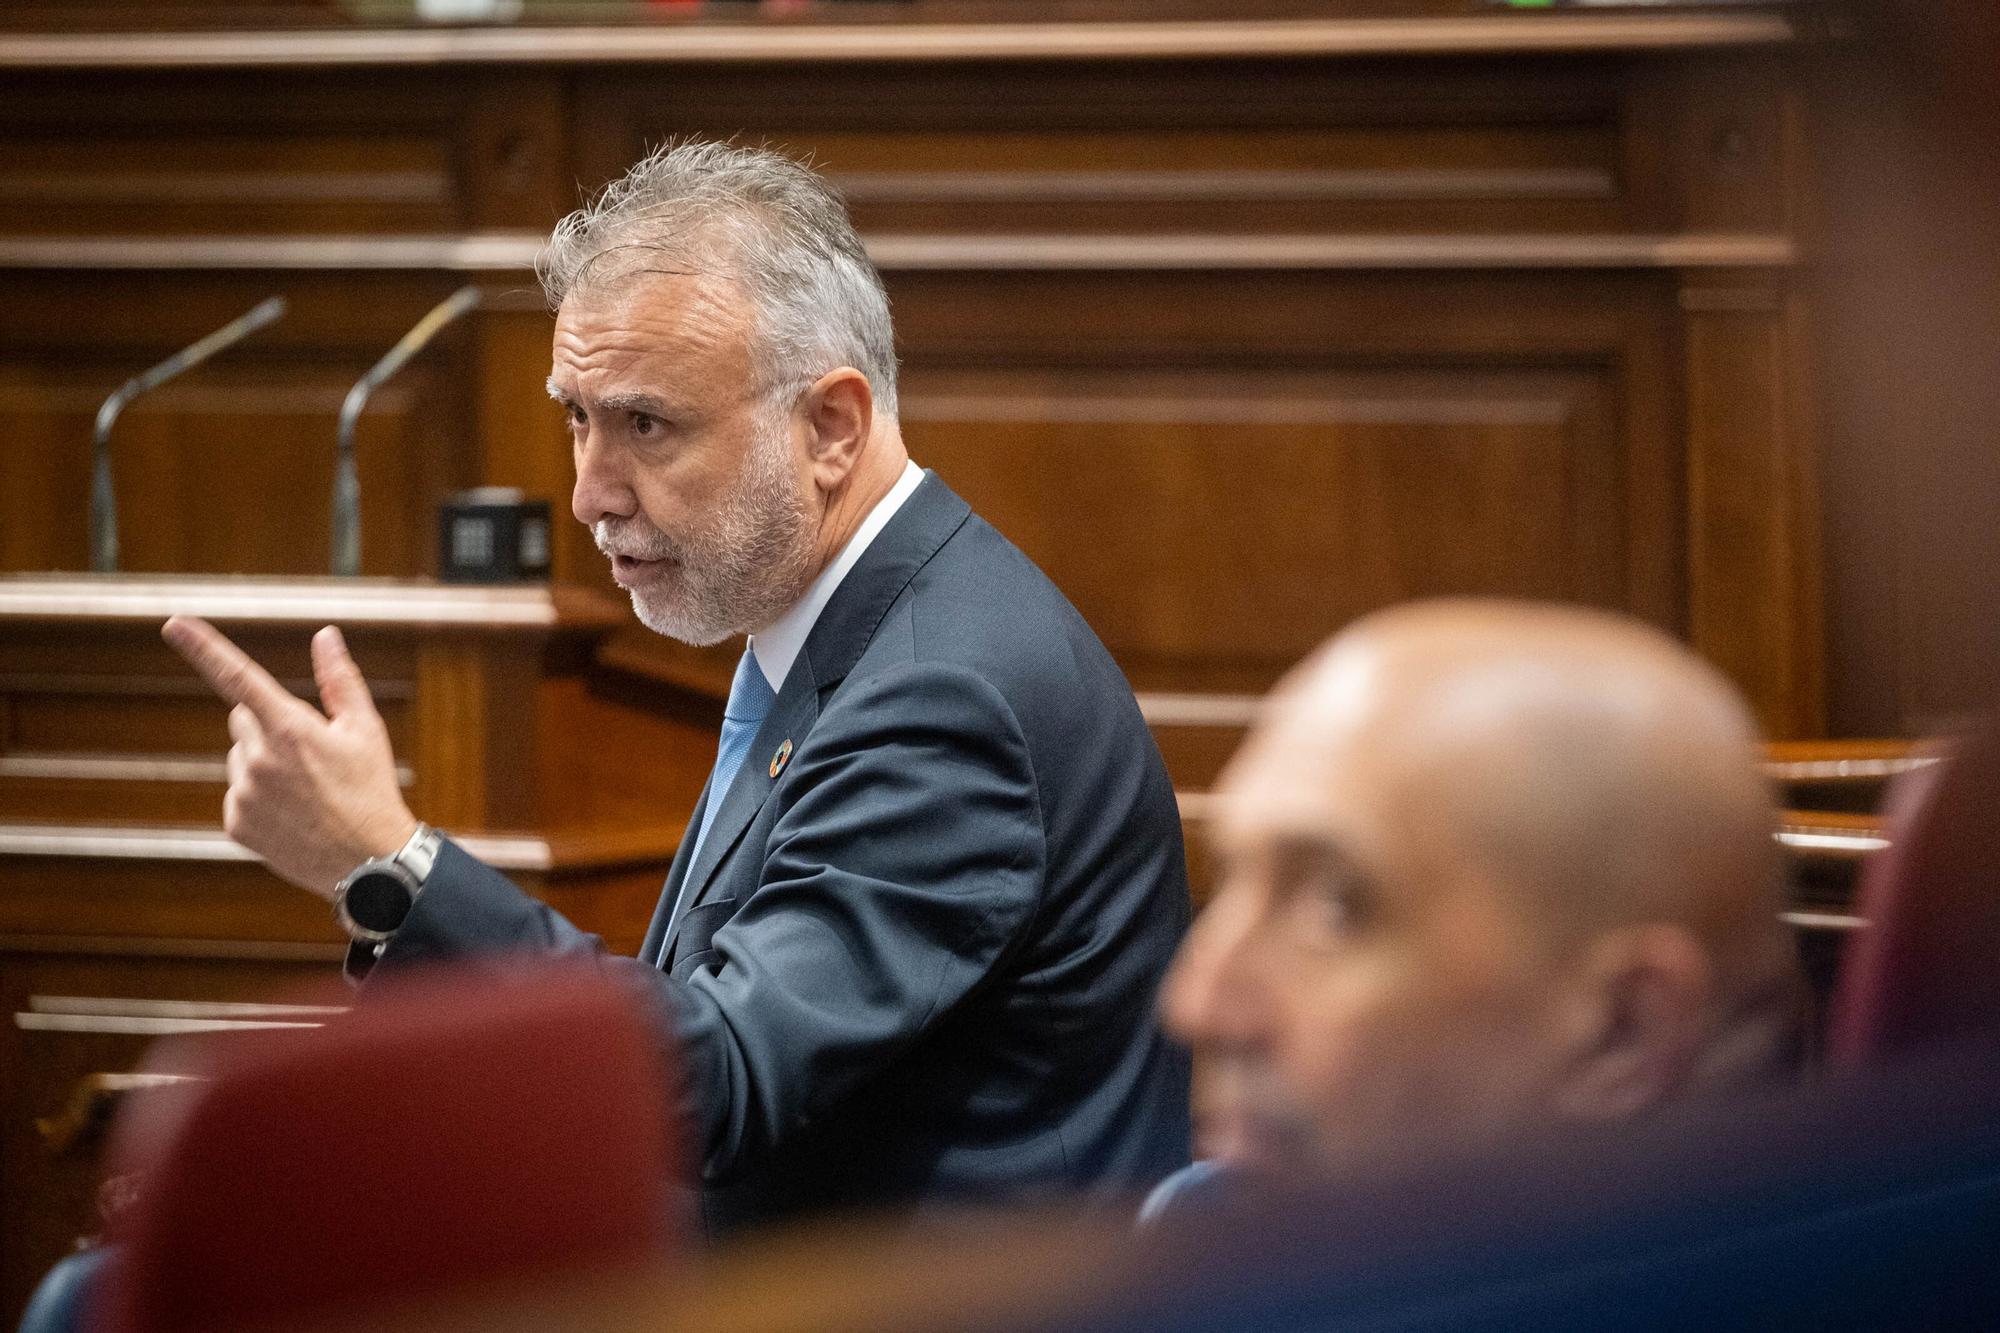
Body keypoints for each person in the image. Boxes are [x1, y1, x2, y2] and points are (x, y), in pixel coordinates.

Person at [161, 141, 1191, 1236]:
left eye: (645, 424)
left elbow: (714, 1079)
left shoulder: (943, 695)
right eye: (577, 417)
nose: (589, 494)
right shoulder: (852, 628)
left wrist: (392, 866)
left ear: (829, 428)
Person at [1154, 600, 1804, 1204]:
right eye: (1229, 876)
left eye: (1337, 907)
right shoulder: (1191, 1230)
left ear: (1623, 1031)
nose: (1200, 1004)